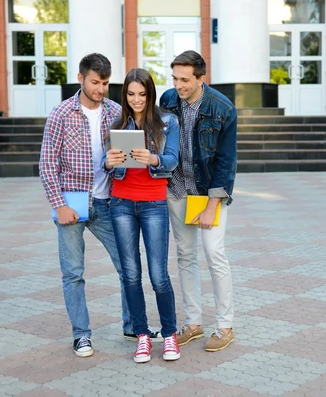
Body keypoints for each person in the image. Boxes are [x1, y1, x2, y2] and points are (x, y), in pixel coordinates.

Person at [39, 53, 160, 358]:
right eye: (95, 82)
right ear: (81, 78)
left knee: (127, 267)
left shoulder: (116, 112)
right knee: (73, 273)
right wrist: (59, 204)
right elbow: (47, 164)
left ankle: (133, 325)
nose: (101, 89)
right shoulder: (61, 114)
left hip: (107, 202)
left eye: (106, 83)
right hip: (72, 200)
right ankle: (81, 335)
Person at [159, 50, 238, 352]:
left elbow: (227, 162)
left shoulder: (222, 108)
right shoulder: (167, 100)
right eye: (175, 78)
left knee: (214, 253)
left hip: (207, 193)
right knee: (184, 255)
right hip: (177, 189)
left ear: (201, 79)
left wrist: (211, 204)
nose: (178, 85)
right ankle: (193, 323)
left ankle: (225, 326)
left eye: (185, 80)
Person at [103, 68, 180, 363]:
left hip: (153, 204)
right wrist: (108, 162)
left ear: (150, 94)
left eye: (142, 94)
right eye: (131, 94)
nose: (136, 100)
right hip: (121, 203)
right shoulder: (117, 123)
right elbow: (107, 163)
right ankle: (142, 336)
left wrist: (154, 158)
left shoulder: (166, 122)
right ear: (125, 95)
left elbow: (172, 159)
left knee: (159, 275)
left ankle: (169, 334)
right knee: (131, 275)